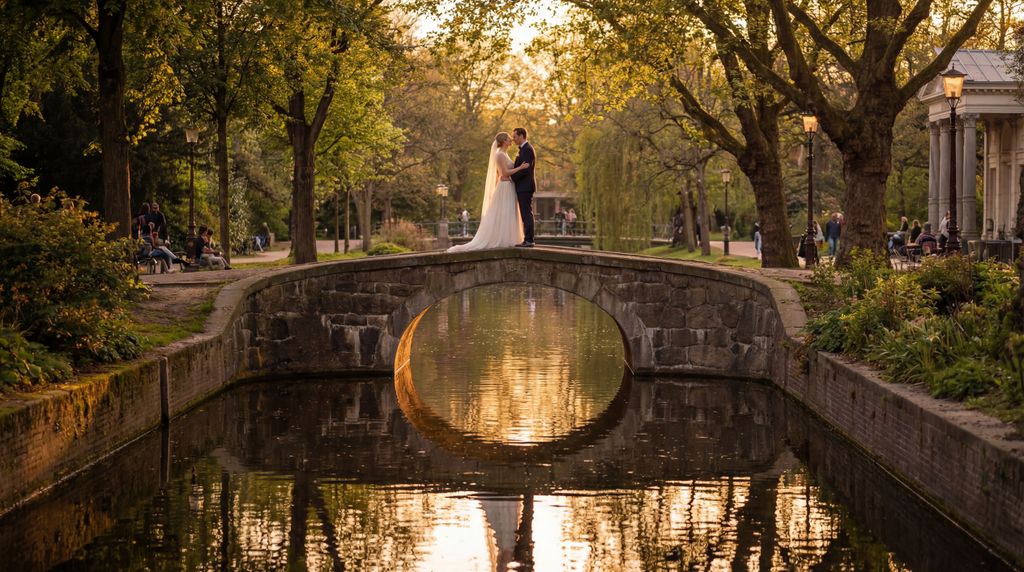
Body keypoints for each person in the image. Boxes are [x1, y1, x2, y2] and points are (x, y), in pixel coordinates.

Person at [447, 132, 530, 253]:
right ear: (503, 142)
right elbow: (505, 173)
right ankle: (503, 240)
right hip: (505, 187)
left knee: (509, 212)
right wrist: (520, 168)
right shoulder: (500, 155)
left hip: (508, 185)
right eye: (508, 138)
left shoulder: (504, 154)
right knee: (505, 212)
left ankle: (509, 239)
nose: (511, 139)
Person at [510, 127, 537, 247]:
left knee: (526, 213)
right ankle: (528, 239)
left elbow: (525, 171)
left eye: (515, 136)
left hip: (525, 186)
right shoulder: (523, 150)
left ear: (521, 136)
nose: (513, 139)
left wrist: (512, 178)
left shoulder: (527, 150)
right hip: (523, 186)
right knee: (525, 213)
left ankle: (529, 240)